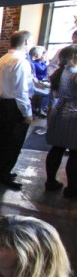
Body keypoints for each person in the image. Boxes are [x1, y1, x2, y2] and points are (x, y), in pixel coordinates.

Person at [0, 30, 34, 190]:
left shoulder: (3, 58)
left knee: (1, 139)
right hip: (15, 105)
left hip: (5, 103)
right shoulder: (20, 62)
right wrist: (27, 113)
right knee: (13, 142)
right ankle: (4, 174)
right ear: (26, 42)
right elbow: (22, 92)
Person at [45, 44, 77, 197]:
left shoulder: (60, 72)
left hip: (59, 110)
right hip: (73, 113)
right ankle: (72, 189)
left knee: (57, 149)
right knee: (75, 153)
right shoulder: (74, 73)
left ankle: (50, 181)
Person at [29, 46, 50, 119]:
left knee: (48, 90)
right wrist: (41, 85)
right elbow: (35, 77)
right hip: (31, 86)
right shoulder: (33, 63)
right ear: (36, 54)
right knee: (48, 92)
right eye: (42, 53)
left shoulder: (33, 62)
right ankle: (40, 109)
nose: (43, 55)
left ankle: (41, 109)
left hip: (35, 83)